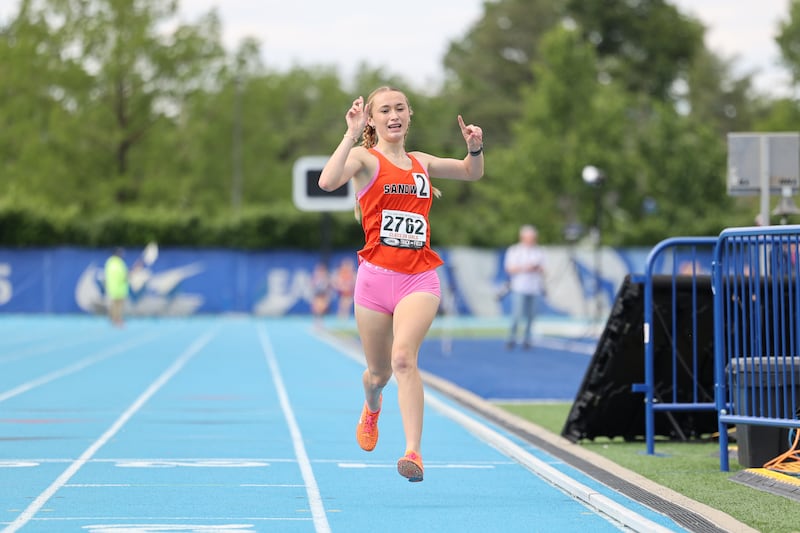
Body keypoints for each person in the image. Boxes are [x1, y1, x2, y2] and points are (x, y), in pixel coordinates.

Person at [318, 86, 483, 482]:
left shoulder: (421, 162)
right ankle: (372, 406)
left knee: (404, 358)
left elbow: (469, 172)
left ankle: (413, 452)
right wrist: (350, 133)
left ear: (410, 116)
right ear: (373, 119)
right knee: (378, 374)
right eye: (385, 110)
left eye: (400, 109)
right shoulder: (363, 157)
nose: (394, 115)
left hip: (419, 278)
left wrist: (475, 149)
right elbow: (326, 182)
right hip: (374, 281)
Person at [503, 225, 546, 350]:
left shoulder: (539, 251)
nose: (531, 240)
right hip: (519, 287)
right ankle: (511, 337)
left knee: (532, 316)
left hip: (534, 288)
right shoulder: (515, 250)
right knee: (517, 315)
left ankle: (527, 339)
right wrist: (525, 267)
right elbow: (509, 269)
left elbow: (544, 269)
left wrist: (537, 268)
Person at [104, 247, 129, 327]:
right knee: (118, 305)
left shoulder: (109, 262)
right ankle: (117, 320)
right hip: (119, 287)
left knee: (113, 304)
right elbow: (124, 276)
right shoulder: (120, 263)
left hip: (111, 287)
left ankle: (114, 319)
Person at [309, 261, 332, 326]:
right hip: (317, 295)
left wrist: (327, 296)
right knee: (316, 308)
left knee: (322, 308)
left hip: (323, 295)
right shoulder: (315, 278)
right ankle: (316, 320)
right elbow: (312, 286)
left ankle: (320, 320)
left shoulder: (326, 278)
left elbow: (328, 287)